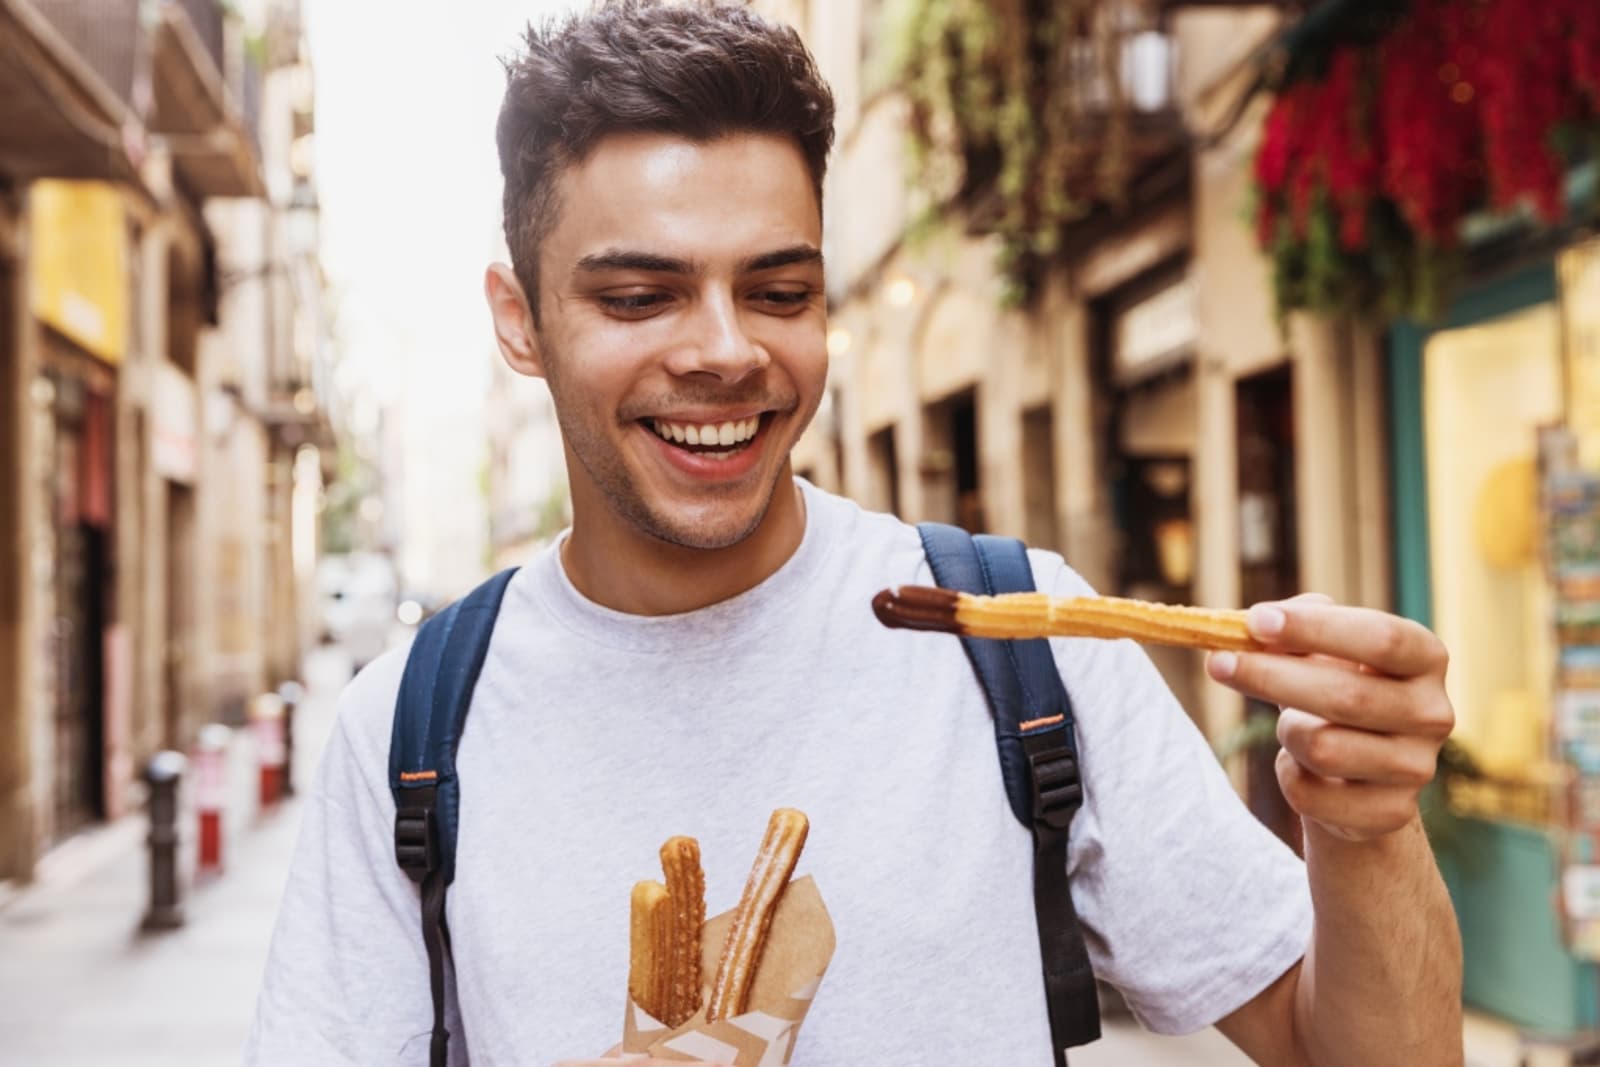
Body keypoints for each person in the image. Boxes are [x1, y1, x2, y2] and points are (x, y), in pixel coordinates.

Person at [244, 3, 1464, 1064]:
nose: (726, 349)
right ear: (520, 321)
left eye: (779, 291)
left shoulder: (1020, 648)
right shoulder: (410, 731)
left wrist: (1363, 829)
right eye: (640, 295)